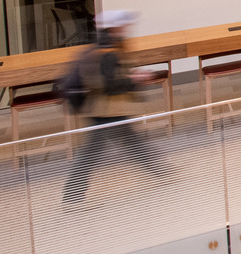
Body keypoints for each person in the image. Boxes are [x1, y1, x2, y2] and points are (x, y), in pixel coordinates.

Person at [58, 11, 173, 205]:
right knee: (94, 152)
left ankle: (162, 173)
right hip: (105, 111)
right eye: (124, 25)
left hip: (110, 109)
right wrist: (134, 79)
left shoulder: (109, 46)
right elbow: (106, 84)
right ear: (114, 27)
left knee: (131, 145)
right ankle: (72, 195)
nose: (127, 28)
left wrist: (130, 77)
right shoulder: (107, 51)